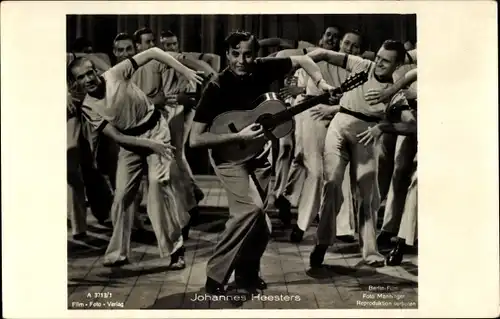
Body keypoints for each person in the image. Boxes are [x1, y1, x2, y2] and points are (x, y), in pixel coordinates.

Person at [189, 30, 335, 295]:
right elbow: (195, 139)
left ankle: (247, 276)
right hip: (228, 157)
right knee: (249, 211)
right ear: (227, 55)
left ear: (254, 54)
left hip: (259, 155)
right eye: (235, 54)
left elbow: (304, 59)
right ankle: (214, 277)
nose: (242, 60)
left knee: (261, 224)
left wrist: (321, 83)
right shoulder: (216, 86)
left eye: (247, 54)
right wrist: (237, 135)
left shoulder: (262, 69)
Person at [67, 47, 203, 269]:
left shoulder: (115, 73)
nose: (89, 79)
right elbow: (119, 137)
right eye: (81, 77)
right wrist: (150, 145)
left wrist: (185, 70)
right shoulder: (89, 107)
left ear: (96, 71)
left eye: (90, 72)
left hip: (156, 130)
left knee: (158, 185)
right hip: (132, 144)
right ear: (76, 83)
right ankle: (118, 252)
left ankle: (176, 250)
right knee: (121, 197)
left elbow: (154, 52)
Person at [305, 40, 414, 268]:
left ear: (397, 65)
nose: (378, 63)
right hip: (339, 129)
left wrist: (383, 127)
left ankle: (370, 251)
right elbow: (324, 53)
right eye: (378, 57)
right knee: (332, 185)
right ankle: (322, 244)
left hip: (365, 138)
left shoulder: (394, 94)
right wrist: (301, 63)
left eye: (386, 61)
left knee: (368, 195)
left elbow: (412, 126)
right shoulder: (361, 65)